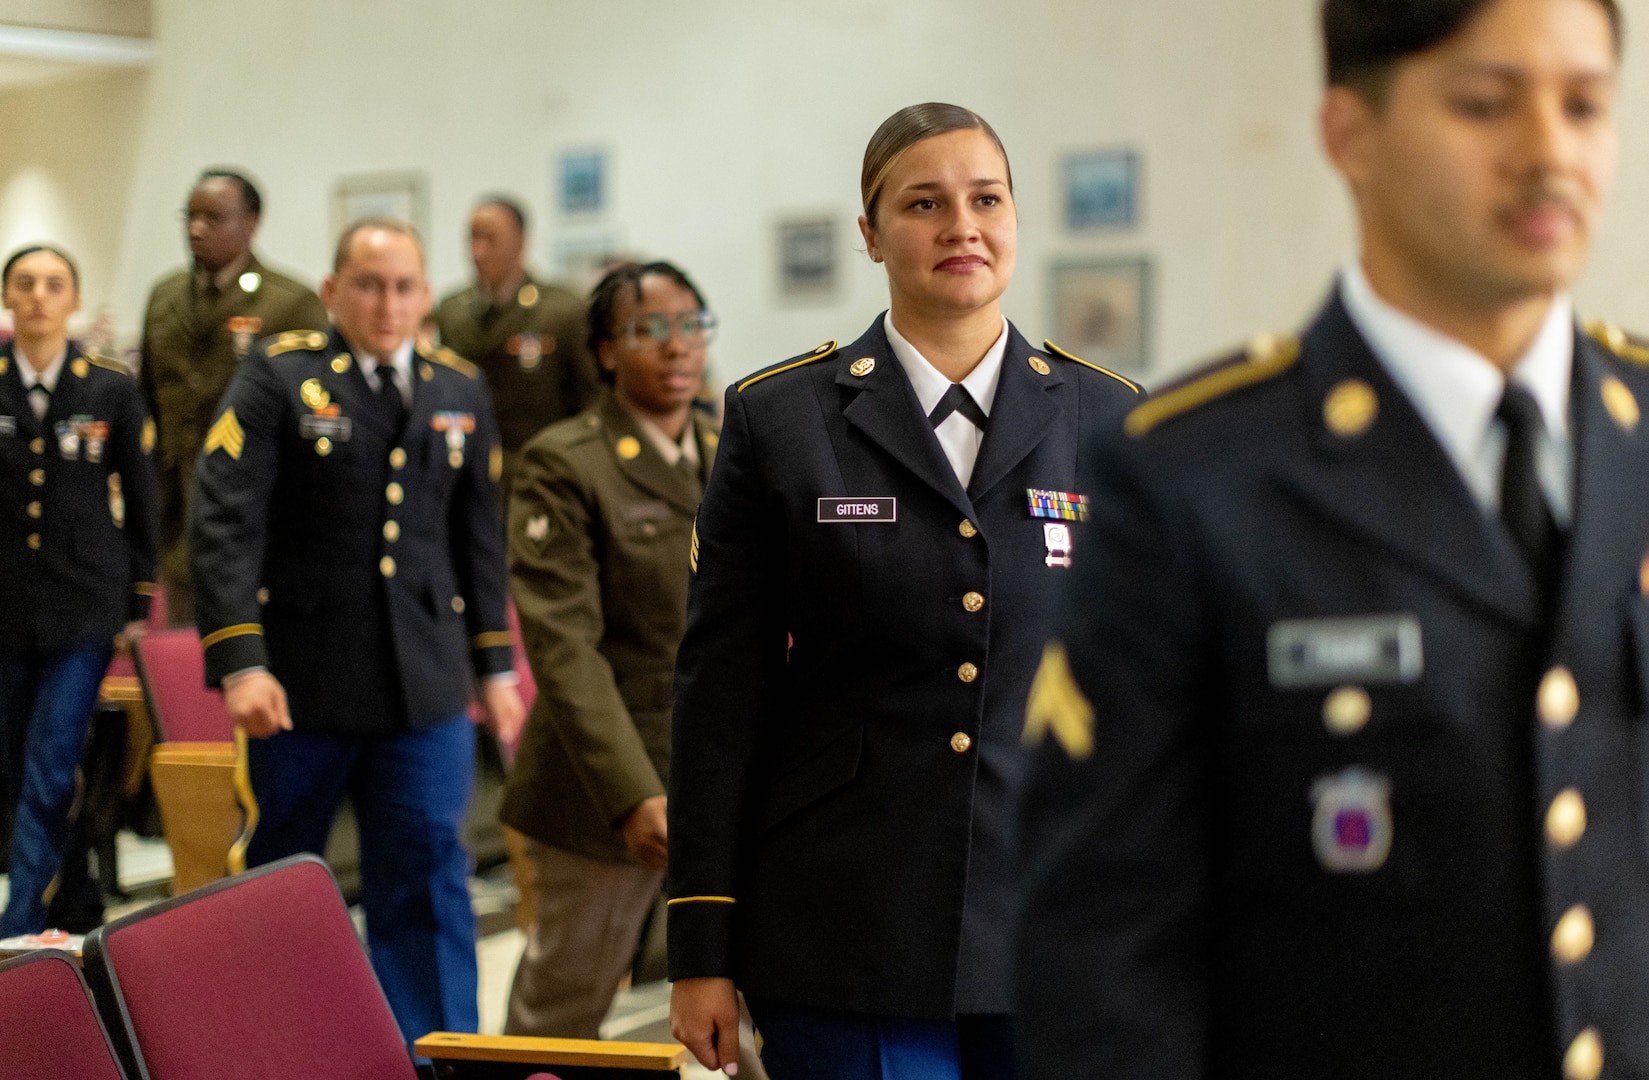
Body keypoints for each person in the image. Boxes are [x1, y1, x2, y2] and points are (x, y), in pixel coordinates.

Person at [1016, 0, 1643, 1077]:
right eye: (1485, 105)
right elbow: (1100, 954)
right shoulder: (1189, 476)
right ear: (1348, 133)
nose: (1548, 154)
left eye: (1583, 106)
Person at [666, 103, 1142, 1079]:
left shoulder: (1108, 416)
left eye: (985, 200)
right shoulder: (780, 420)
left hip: (1051, 914)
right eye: (923, 204)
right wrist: (700, 949)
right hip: (844, 923)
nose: (960, 226)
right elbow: (721, 696)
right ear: (871, 234)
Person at [189, 218, 525, 1042]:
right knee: (285, 873)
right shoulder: (280, 375)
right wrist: (240, 662)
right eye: (369, 285)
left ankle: (438, 1052)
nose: (388, 303)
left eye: (405, 286)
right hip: (302, 679)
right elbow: (226, 521)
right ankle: (276, 1040)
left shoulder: (457, 386)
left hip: (425, 684)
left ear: (425, 295)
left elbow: (476, 539)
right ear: (334, 291)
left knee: (427, 870)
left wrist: (496, 670)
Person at [500, 260, 721, 1037]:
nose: (676, 347)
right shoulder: (566, 462)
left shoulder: (733, 448)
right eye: (649, 329)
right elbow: (565, 648)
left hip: (722, 772)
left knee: (752, 987)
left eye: (691, 325)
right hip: (603, 786)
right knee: (564, 1003)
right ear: (603, 351)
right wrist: (632, 793)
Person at [0, 245, 157, 935]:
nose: (38, 296)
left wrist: (140, 599)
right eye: (25, 284)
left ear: (73, 300)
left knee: (50, 761)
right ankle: (76, 895)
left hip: (84, 605)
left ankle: (18, 923)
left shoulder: (109, 387)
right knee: (15, 768)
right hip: (4, 608)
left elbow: (144, 498)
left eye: (53, 284)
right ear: (7, 298)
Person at [139, 169, 327, 626]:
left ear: (251, 223)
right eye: (190, 216)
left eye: (213, 217)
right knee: (185, 659)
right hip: (180, 513)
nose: (195, 229)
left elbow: (313, 418)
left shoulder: (290, 304)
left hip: (260, 515)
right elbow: (149, 401)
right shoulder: (164, 298)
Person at [435, 196, 599, 499]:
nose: (477, 251)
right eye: (472, 238)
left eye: (490, 239)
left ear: (521, 242)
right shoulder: (451, 311)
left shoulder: (562, 311)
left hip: (542, 478)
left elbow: (591, 404)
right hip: (467, 481)